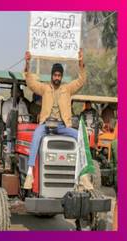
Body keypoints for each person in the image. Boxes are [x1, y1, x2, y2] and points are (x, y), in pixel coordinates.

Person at [23, 49, 86, 189]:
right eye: (55, 75)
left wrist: (81, 62)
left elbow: (81, 81)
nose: (57, 77)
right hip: (46, 125)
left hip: (63, 126)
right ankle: (30, 173)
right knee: (36, 136)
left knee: (81, 138)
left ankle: (83, 175)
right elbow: (30, 83)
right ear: (52, 75)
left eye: (59, 75)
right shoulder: (44, 88)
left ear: (61, 77)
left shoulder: (67, 89)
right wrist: (27, 62)